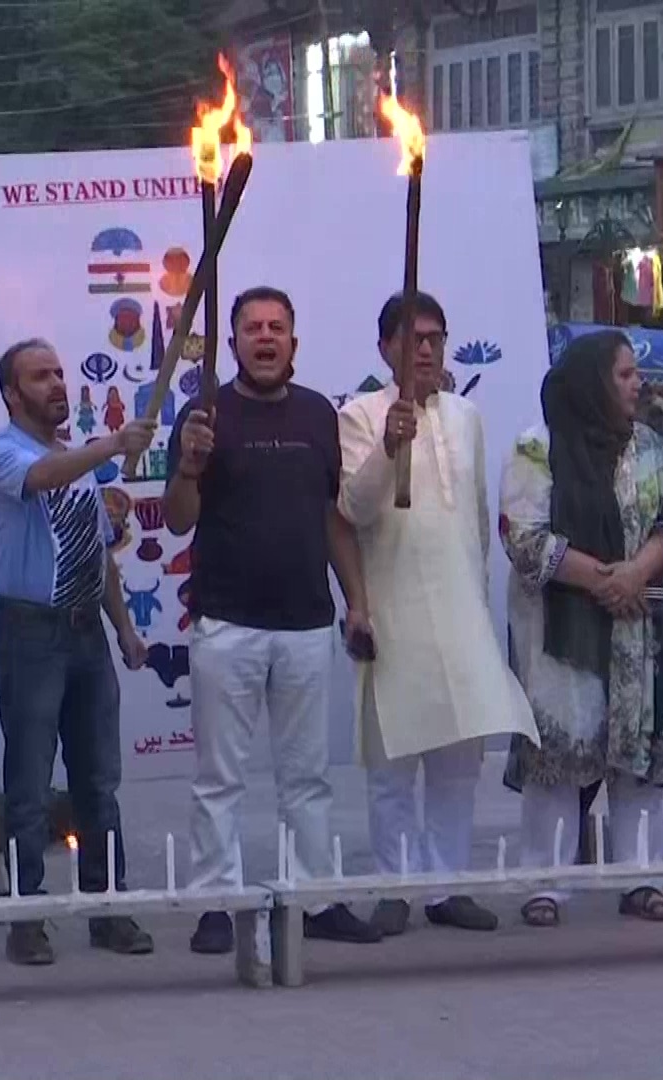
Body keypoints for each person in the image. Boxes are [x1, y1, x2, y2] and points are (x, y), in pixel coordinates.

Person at [162, 286, 381, 953]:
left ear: (293, 341)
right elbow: (178, 519)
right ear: (231, 345)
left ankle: (311, 899)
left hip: (307, 623)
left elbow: (333, 517)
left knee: (307, 776)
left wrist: (357, 604)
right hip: (227, 623)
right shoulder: (204, 414)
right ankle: (215, 903)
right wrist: (192, 465)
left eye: (276, 327)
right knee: (221, 777)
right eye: (252, 327)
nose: (264, 337)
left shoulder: (320, 415)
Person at [337, 292, 539, 935]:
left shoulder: (465, 415)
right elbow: (353, 509)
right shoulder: (359, 415)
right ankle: (397, 885)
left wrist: (479, 601)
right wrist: (388, 446)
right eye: (413, 338)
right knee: (393, 761)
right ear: (385, 348)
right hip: (392, 606)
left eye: (436, 338)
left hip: (459, 607)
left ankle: (446, 886)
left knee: (458, 763)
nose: (426, 350)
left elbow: (476, 520)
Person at [0, 338, 155, 967]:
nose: (55, 384)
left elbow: (99, 551)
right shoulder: (2, 453)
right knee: (28, 780)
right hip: (29, 634)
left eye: (59, 373)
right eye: (39, 376)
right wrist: (109, 447)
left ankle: (109, 909)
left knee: (99, 779)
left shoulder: (75, 464)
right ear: (11, 393)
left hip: (86, 634)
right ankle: (27, 918)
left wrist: (125, 629)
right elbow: (39, 479)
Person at [497, 331, 663, 926]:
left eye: (636, 374)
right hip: (561, 623)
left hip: (640, 623)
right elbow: (524, 539)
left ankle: (640, 879)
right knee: (561, 752)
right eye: (625, 374)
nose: (639, 385)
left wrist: (637, 574)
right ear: (591, 383)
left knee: (637, 757)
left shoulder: (652, 447)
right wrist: (607, 579)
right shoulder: (537, 448)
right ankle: (546, 883)